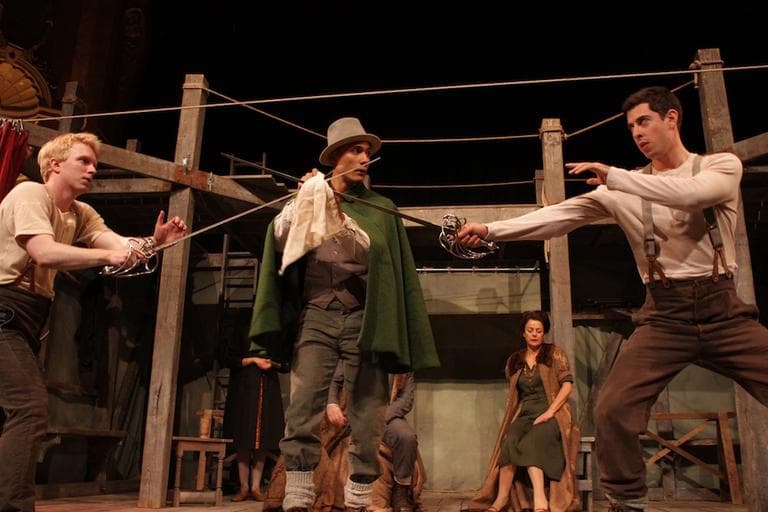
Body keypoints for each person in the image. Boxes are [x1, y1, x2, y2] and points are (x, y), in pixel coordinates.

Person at [458, 86, 768, 511]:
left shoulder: (720, 166)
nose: (637, 133)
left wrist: (617, 175)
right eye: (631, 127)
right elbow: (556, 217)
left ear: (672, 118)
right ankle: (628, 502)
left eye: (644, 121)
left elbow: (692, 195)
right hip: (666, 316)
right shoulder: (620, 190)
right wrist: (491, 230)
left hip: (724, 312)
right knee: (613, 410)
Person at [248, 117, 439, 512]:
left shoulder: (379, 208)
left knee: (369, 413)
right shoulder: (309, 196)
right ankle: (298, 493)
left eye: (368, 152)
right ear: (336, 156)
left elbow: (375, 250)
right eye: (356, 150)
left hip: (363, 318)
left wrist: (336, 212)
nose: (365, 157)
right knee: (303, 404)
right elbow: (282, 239)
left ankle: (359, 495)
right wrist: (306, 202)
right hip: (317, 314)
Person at [0, 132, 187, 512]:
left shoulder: (80, 213)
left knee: (18, 411)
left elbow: (119, 247)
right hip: (3, 308)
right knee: (30, 409)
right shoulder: (30, 195)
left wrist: (154, 242)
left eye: (94, 163)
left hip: (29, 317)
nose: (93, 169)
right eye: (83, 161)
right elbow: (44, 252)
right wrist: (105, 257)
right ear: (54, 164)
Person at [466, 311, 578, 512]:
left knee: (532, 441)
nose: (535, 334)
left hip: (553, 412)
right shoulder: (515, 360)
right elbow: (515, 396)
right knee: (510, 441)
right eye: (530, 330)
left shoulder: (555, 354)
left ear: (544, 334)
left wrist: (550, 412)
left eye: (539, 331)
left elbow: (567, 386)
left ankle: (540, 500)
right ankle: (500, 499)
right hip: (526, 414)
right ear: (523, 333)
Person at [326, 363, 421, 512]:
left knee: (406, 437)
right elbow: (334, 381)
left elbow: (406, 400)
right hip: (356, 414)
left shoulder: (402, 360)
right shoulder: (354, 352)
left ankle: (401, 491)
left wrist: (380, 417)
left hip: (386, 415)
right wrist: (332, 403)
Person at [222, 325, 285, 502]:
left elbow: (284, 363)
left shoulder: (274, 333)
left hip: (268, 391)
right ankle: (244, 487)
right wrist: (252, 360)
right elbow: (229, 359)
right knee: (243, 439)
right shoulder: (240, 331)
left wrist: (271, 363)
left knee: (262, 441)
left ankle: (256, 487)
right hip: (244, 389)